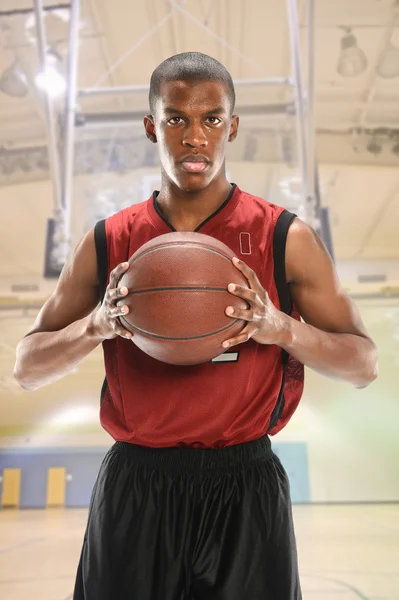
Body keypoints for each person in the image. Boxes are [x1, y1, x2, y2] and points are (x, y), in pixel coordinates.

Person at [14, 52, 378, 600]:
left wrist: (282, 329)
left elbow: (363, 365)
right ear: (150, 126)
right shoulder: (108, 240)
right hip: (137, 485)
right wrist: (95, 326)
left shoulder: (285, 237)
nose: (194, 137)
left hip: (244, 484)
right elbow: (26, 367)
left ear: (231, 126)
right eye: (175, 118)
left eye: (211, 119)